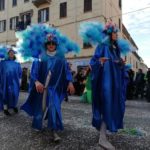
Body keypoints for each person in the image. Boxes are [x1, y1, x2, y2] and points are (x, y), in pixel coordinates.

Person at [79, 21, 133, 150]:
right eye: (114, 32)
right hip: (105, 83)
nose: (116, 34)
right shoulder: (102, 46)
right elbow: (93, 62)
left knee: (112, 106)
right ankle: (102, 138)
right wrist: (100, 62)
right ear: (109, 34)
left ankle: (103, 134)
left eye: (116, 32)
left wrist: (121, 63)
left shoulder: (116, 49)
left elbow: (117, 65)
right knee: (107, 105)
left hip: (115, 83)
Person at [19, 26, 77, 142]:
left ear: (56, 45)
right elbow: (34, 72)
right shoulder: (40, 58)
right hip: (42, 89)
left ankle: (54, 131)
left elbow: (66, 71)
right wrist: (36, 82)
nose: (51, 45)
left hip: (54, 89)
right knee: (41, 108)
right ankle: (37, 123)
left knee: (54, 108)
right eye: (49, 43)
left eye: (53, 43)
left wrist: (70, 82)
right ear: (46, 45)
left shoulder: (61, 59)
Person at [0, 48, 22, 116]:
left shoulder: (17, 64)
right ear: (7, 54)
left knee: (14, 94)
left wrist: (20, 80)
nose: (11, 53)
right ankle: (5, 109)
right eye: (10, 52)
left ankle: (13, 106)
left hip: (15, 82)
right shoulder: (2, 63)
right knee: (5, 94)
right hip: (5, 81)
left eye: (12, 52)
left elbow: (20, 73)